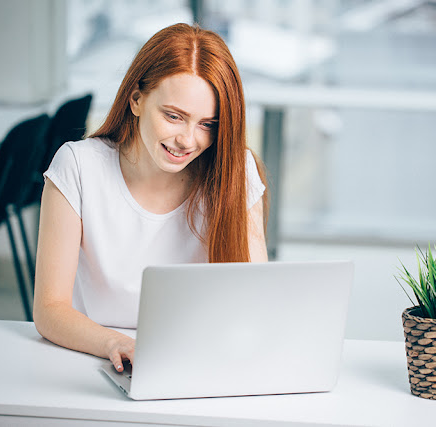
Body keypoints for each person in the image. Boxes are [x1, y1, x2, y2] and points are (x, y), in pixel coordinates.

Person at [33, 23, 269, 373]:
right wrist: (115, 342)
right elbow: (49, 309)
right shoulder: (79, 166)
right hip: (94, 360)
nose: (188, 141)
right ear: (137, 100)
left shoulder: (234, 170)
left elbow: (257, 297)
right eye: (174, 116)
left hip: (202, 362)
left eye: (207, 124)